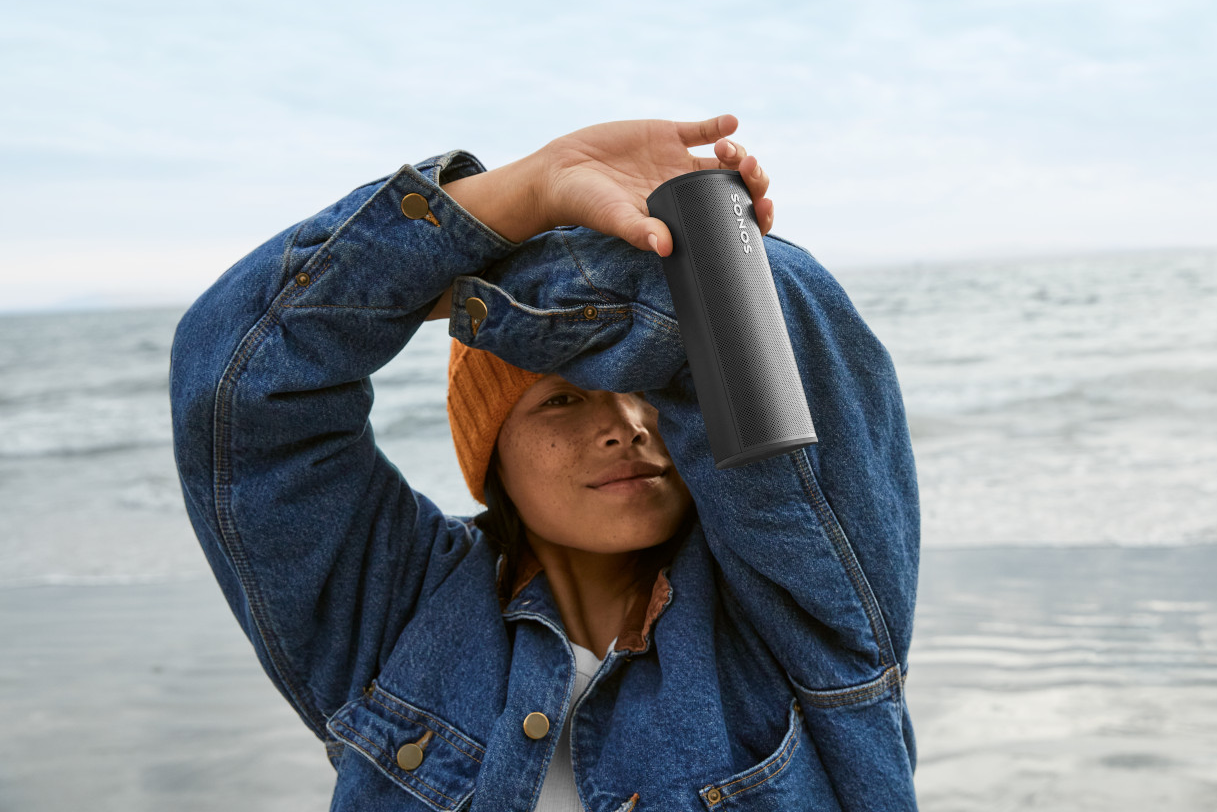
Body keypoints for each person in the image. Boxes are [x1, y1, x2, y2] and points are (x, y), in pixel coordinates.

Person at [169, 115, 921, 811]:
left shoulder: (800, 606)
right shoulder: (398, 615)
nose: (626, 424)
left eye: (652, 391)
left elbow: (790, 308)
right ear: (488, 450)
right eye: (563, 402)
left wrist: (709, 252)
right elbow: (236, 375)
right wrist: (528, 189)